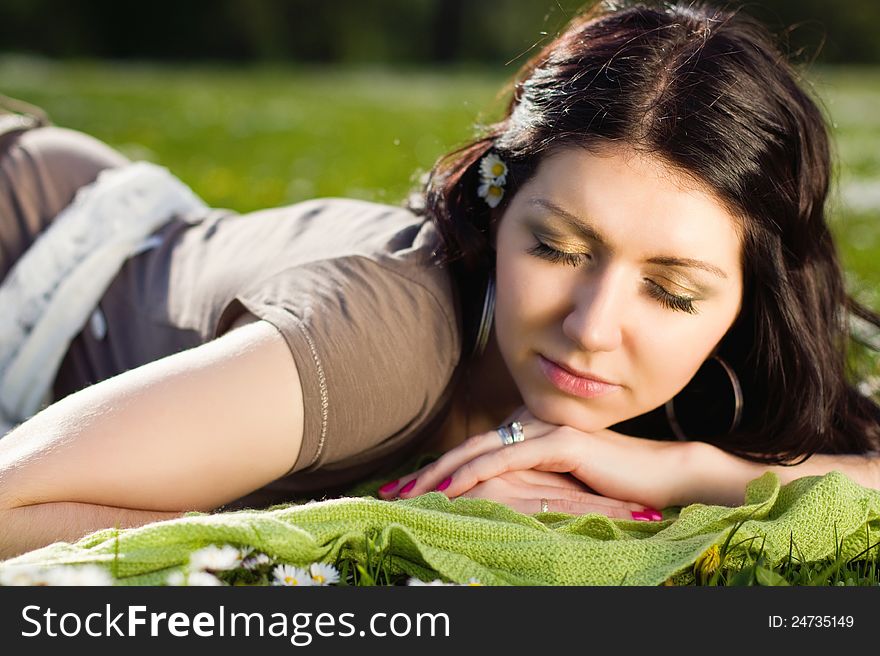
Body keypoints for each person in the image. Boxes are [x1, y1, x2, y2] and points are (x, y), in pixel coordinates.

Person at [1, 1, 879, 561]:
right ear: (497, 210)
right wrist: (373, 522)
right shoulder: (380, 345)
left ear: (747, 299)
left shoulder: (700, 400)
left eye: (673, 293)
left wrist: (685, 469)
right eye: (561, 249)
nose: (593, 327)